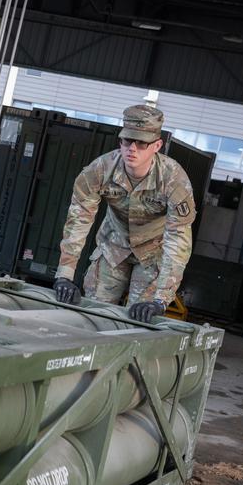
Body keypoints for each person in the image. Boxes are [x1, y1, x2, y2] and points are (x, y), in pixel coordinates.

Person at [52, 104, 196, 323]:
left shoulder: (174, 180)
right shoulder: (99, 170)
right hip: (113, 247)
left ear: (157, 145)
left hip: (153, 255)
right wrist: (64, 275)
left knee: (138, 321)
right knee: (92, 316)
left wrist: (161, 299)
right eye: (127, 140)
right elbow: (78, 221)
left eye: (142, 142)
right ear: (120, 141)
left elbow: (178, 240)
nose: (132, 149)